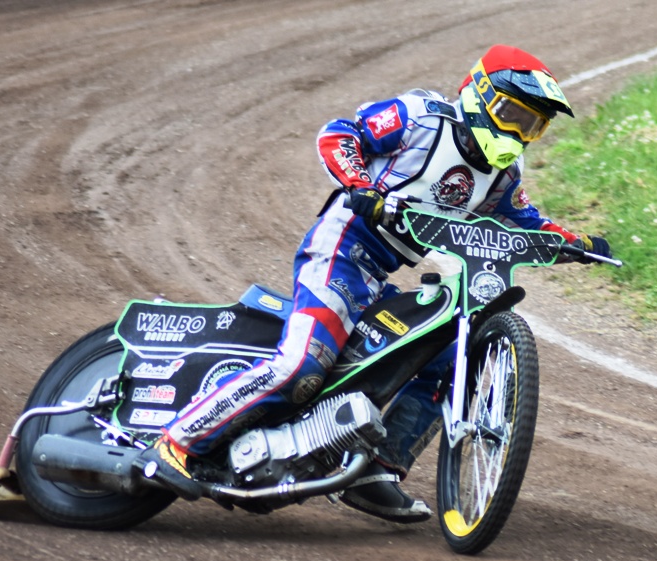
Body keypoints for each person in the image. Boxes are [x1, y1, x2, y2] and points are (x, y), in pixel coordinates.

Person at [136, 45, 612, 520]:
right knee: (304, 366)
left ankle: (375, 470)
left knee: (446, 358)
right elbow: (340, 133)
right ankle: (177, 443)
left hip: (378, 275)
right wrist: (361, 185)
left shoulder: (503, 175)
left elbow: (525, 221)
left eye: (533, 125)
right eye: (513, 116)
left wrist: (577, 243)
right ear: (480, 95)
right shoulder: (421, 117)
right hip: (340, 252)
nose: (519, 133)